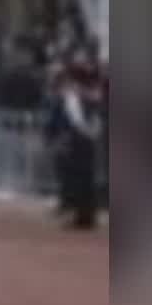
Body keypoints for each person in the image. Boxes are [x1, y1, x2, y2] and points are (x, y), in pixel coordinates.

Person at [50, 56, 105, 231]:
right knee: (87, 177)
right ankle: (87, 214)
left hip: (79, 139)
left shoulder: (75, 95)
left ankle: (82, 216)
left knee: (79, 178)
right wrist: (94, 133)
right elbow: (97, 119)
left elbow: (76, 118)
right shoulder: (93, 94)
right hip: (89, 139)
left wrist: (85, 132)